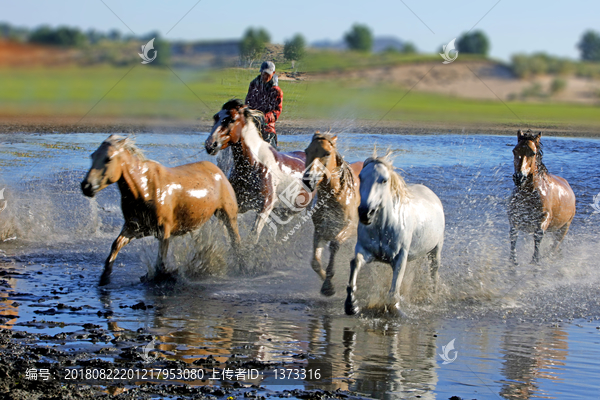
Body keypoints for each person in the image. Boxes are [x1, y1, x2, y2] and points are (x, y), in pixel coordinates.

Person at [245, 61, 283, 147]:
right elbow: (248, 102)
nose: (265, 76)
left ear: (273, 73)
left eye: (267, 74)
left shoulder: (276, 90)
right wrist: (248, 114)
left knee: (271, 151)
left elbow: (277, 111)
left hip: (267, 127)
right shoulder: (253, 84)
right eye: (263, 73)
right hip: (251, 123)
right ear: (261, 72)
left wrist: (262, 117)